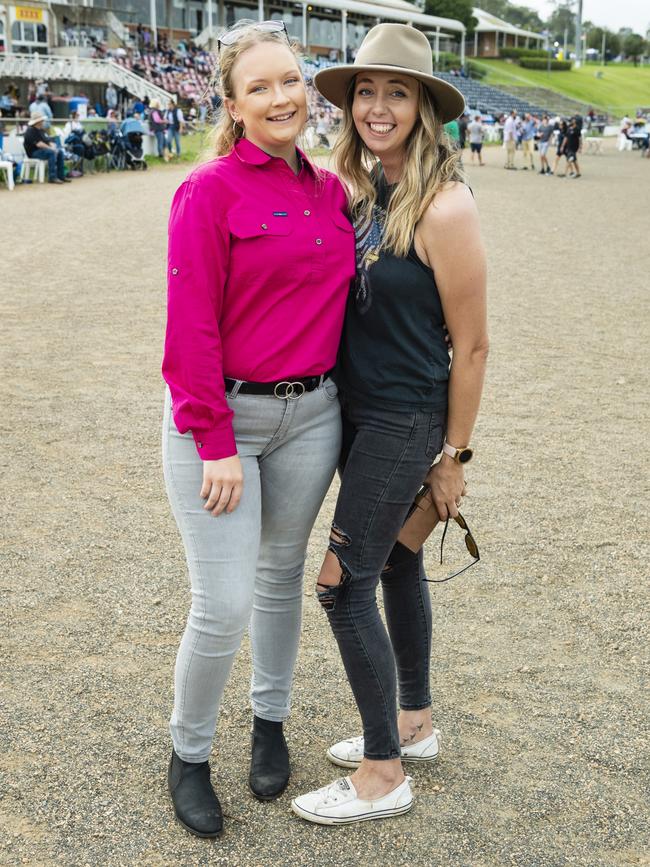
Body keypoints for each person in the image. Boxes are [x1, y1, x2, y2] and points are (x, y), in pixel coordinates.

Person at [161, 20, 356, 839]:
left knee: (281, 579)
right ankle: (189, 751)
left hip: (312, 413)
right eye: (261, 86)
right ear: (234, 104)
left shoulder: (331, 190)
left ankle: (268, 721)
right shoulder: (208, 190)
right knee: (223, 600)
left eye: (291, 81)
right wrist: (213, 441)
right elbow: (190, 324)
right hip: (223, 419)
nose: (282, 97)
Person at [292, 22, 488, 826]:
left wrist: (454, 455)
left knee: (342, 586)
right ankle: (414, 723)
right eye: (365, 92)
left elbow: (473, 345)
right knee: (399, 564)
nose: (376, 107)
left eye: (395, 93)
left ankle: (382, 773)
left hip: (406, 420)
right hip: (357, 412)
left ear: (423, 107)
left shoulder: (445, 204)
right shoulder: (368, 188)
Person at [23, 114, 70, 184]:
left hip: (43, 151)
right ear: (38, 122)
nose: (43, 121)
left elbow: (48, 140)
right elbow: (39, 144)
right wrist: (51, 149)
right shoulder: (30, 131)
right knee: (51, 153)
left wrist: (53, 147)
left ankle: (61, 176)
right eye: (41, 120)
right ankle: (52, 177)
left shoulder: (41, 130)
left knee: (60, 152)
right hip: (34, 153)